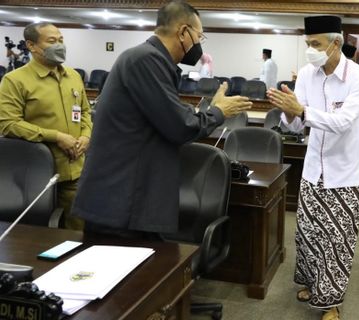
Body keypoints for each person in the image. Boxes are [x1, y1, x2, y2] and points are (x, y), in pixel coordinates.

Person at [72, 0, 251, 239]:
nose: (199, 44)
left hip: (130, 198)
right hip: (121, 202)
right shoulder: (146, 60)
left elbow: (167, 114)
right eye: (200, 36)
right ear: (183, 32)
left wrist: (213, 109)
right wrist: (219, 112)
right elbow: (180, 127)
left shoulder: (150, 59)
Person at [267, 15, 359, 320]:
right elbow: (297, 122)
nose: (310, 50)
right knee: (310, 234)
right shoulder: (306, 73)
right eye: (308, 44)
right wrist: (288, 111)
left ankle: (333, 302)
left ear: (336, 43)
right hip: (314, 169)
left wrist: (300, 110)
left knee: (337, 240)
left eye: (316, 44)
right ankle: (314, 285)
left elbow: (342, 123)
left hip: (345, 173)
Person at [0, 22, 92, 230]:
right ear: (31, 46)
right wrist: (56, 136)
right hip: (37, 173)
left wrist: (86, 136)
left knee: (77, 231)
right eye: (52, 41)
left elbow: (85, 112)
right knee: (39, 235)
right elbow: (8, 124)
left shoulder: (73, 76)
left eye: (61, 40)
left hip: (75, 169)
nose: (59, 45)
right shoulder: (15, 80)